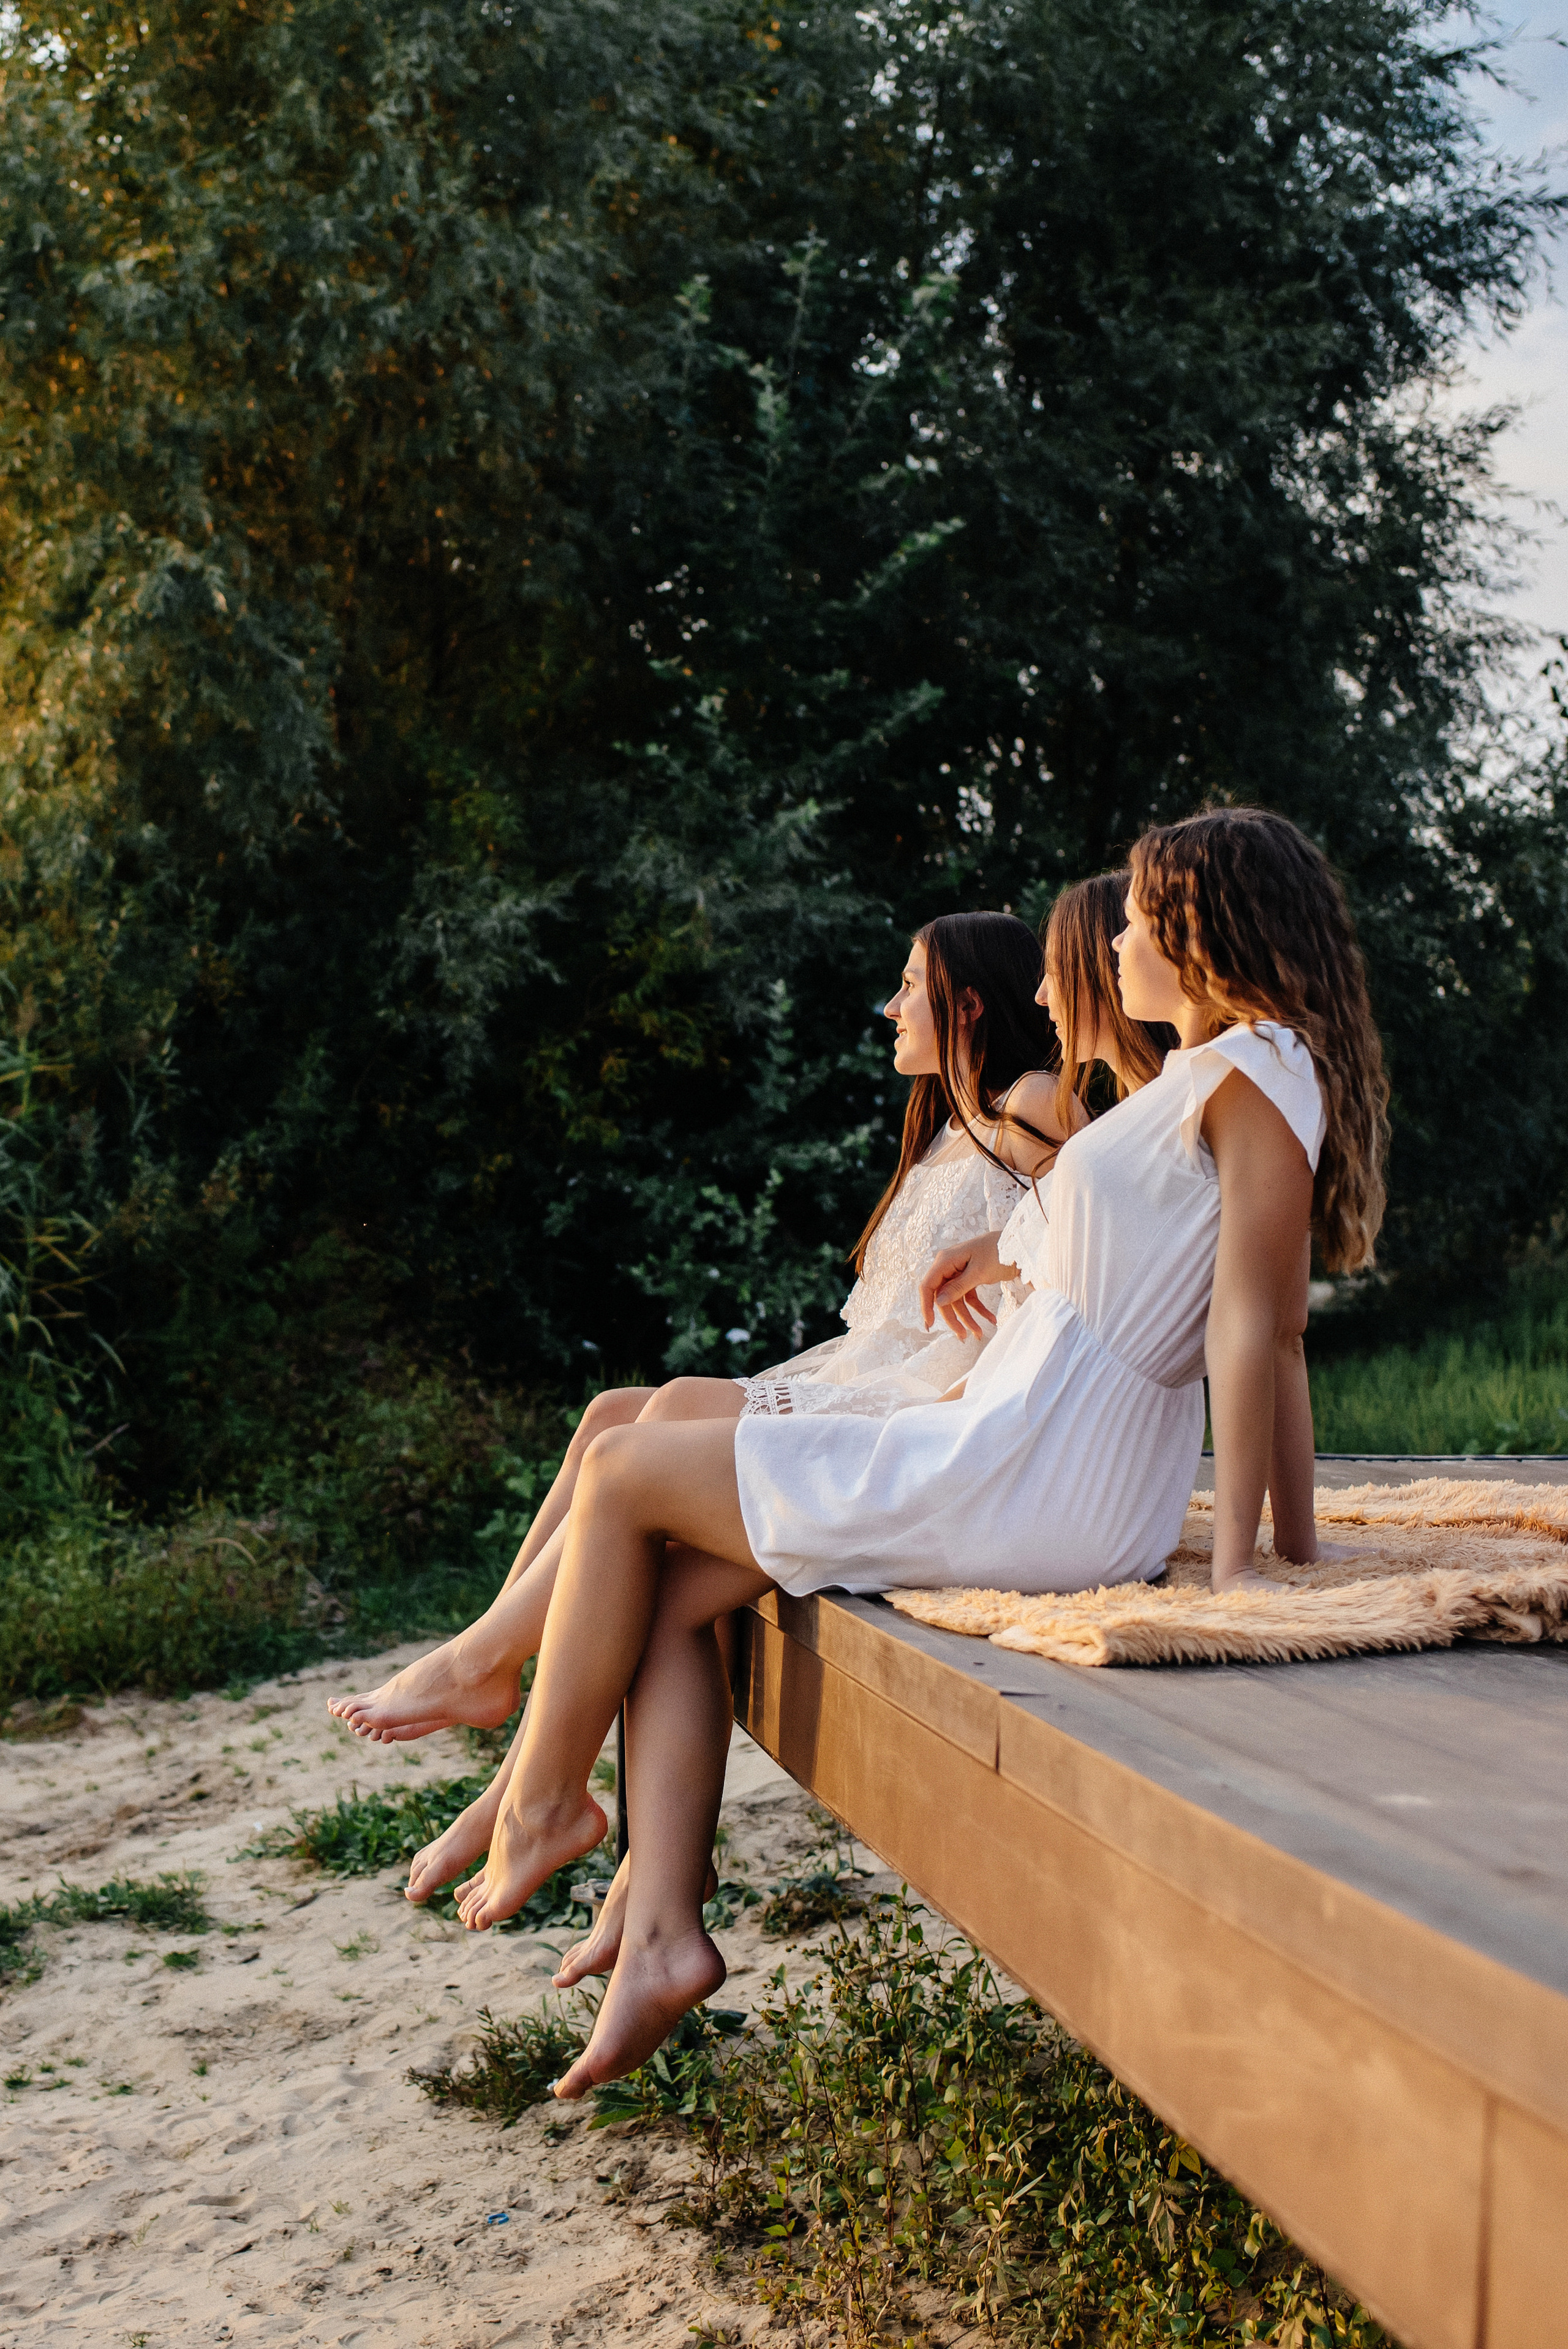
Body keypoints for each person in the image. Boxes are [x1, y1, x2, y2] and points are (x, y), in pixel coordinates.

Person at [440, 807, 1389, 2095]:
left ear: (1199, 932)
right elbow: (1132, 1245)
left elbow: (1255, 1330)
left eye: (1131, 918)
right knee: (660, 1588)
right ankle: (659, 1923)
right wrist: (1000, 1249)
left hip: (1036, 1464)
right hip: (1005, 1433)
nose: (1110, 939)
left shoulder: (1255, 1075)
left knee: (621, 1474)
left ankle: (544, 1797)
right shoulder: (1208, 1074)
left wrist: (1254, 1562)